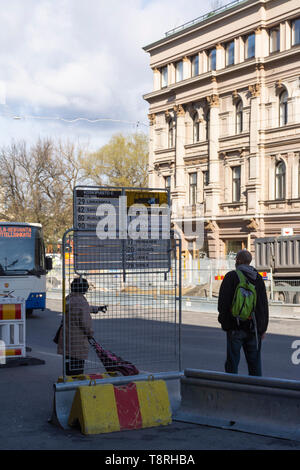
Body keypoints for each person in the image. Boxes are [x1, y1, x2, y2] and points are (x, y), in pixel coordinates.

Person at [218, 249, 269, 376]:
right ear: (249, 261)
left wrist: (226, 324)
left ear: (238, 261)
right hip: (254, 328)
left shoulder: (231, 276)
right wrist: (262, 329)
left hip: (235, 327)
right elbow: (263, 306)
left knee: (232, 363)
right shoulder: (258, 278)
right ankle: (256, 391)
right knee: (254, 364)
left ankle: (232, 391)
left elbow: (223, 303)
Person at [57, 277, 94, 376]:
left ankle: (68, 381)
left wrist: (94, 309)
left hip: (67, 336)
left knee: (69, 363)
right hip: (78, 340)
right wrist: (90, 333)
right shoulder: (82, 301)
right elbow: (85, 322)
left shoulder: (69, 298)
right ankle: (75, 384)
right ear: (83, 289)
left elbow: (75, 310)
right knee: (77, 365)